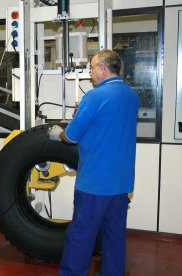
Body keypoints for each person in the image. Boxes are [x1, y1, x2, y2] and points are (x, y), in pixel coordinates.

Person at [48, 49, 139, 276]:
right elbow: (109, 125)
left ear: (102, 68)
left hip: (95, 183)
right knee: (114, 235)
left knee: (81, 235)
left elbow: (71, 137)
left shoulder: (94, 96)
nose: (90, 74)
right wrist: (84, 116)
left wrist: (57, 132)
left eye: (91, 68)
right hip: (122, 182)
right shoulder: (131, 95)